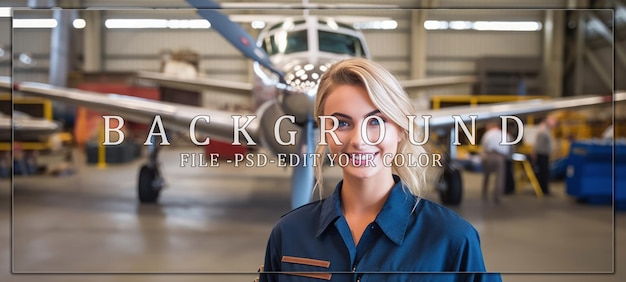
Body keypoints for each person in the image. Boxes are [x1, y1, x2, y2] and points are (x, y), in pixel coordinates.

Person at [259, 58, 501, 281]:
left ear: (401, 129)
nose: (359, 139)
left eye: (376, 121)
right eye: (342, 123)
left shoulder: (453, 239)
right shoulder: (288, 234)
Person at [480, 121, 508, 204]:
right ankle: (497, 197)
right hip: (500, 156)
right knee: (500, 177)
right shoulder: (504, 134)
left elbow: (484, 146)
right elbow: (507, 148)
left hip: (489, 155)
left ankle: (484, 194)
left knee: (486, 175)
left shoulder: (488, 134)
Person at [533, 116, 557, 196]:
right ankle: (543, 189)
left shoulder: (546, 130)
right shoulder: (543, 131)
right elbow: (538, 144)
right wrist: (535, 153)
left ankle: (544, 189)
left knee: (545, 172)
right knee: (543, 173)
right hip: (542, 154)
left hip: (544, 154)